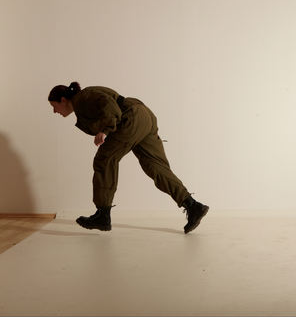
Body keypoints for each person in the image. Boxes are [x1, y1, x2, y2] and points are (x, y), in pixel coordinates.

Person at [48, 82, 209, 234]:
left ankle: (103, 215)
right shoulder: (82, 102)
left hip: (132, 117)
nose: (55, 112)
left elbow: (109, 106)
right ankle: (193, 206)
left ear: (63, 100)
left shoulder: (83, 98)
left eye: (54, 107)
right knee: (156, 167)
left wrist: (105, 130)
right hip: (145, 117)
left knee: (104, 160)